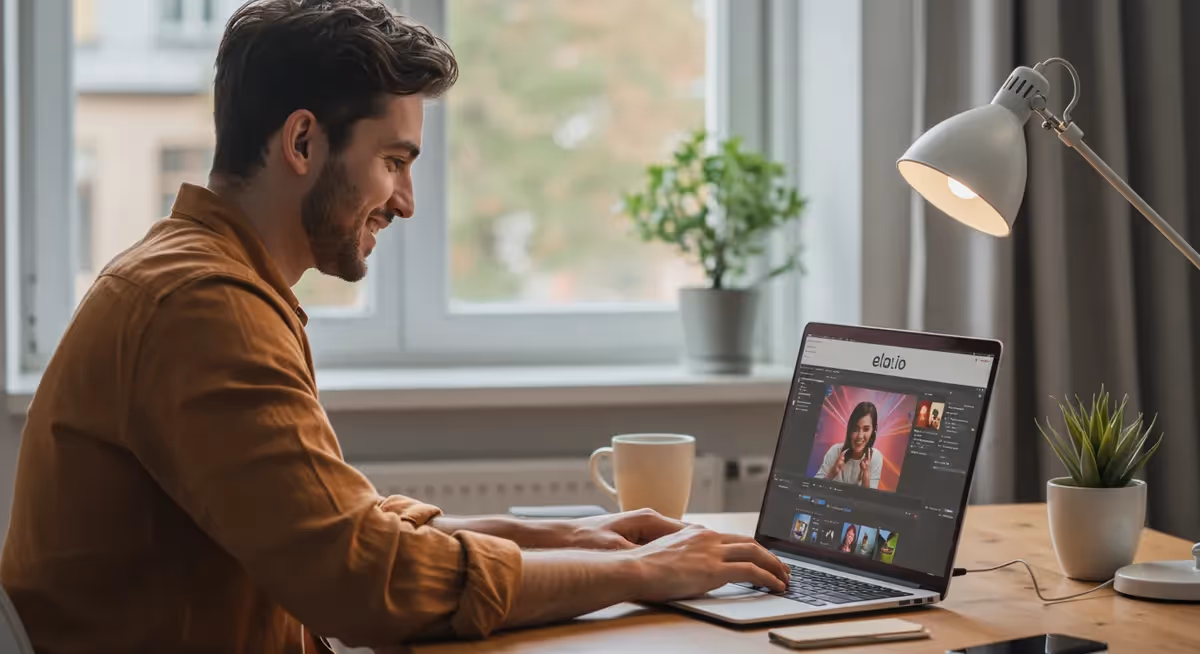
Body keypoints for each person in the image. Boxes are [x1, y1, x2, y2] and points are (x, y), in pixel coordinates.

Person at [0, 2, 790, 651]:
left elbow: (336, 530)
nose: (406, 200)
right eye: (394, 160)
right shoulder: (203, 307)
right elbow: (364, 581)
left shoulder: (199, 276)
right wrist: (640, 575)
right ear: (303, 141)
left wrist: (579, 539)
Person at [814, 401, 885, 488]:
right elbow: (814, 487)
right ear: (850, 429)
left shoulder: (876, 457)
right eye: (856, 429)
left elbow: (869, 499)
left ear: (874, 429)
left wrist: (866, 473)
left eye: (866, 429)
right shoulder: (835, 451)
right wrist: (833, 473)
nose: (860, 436)